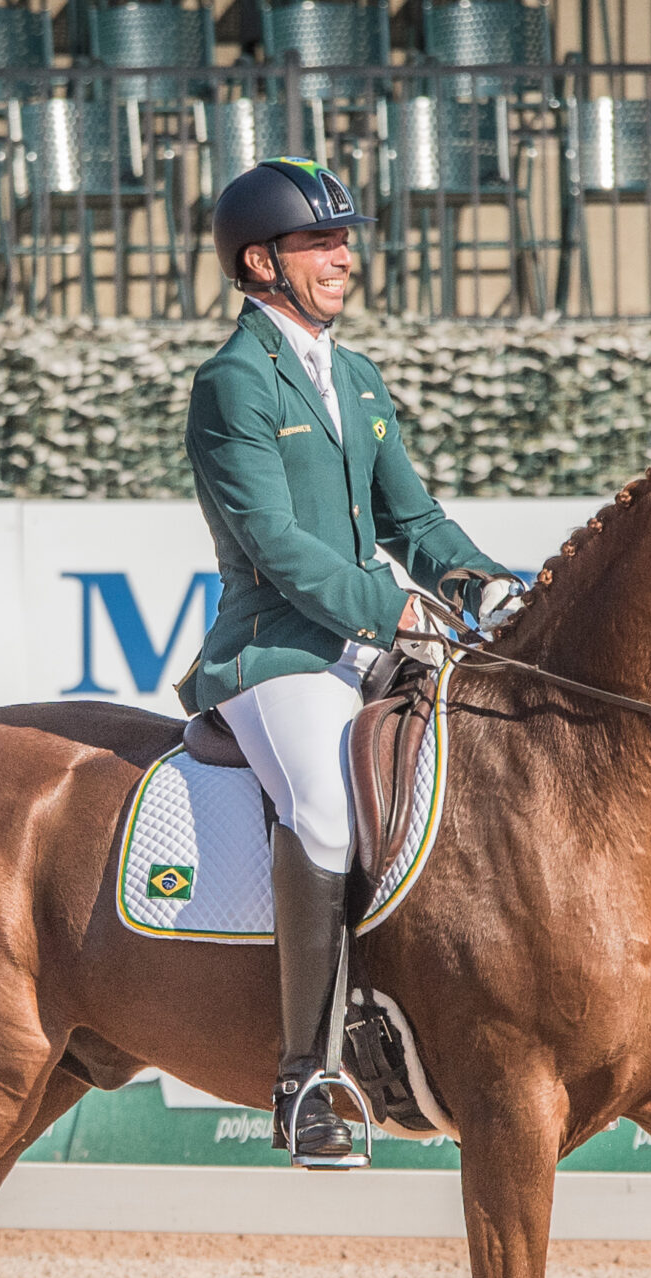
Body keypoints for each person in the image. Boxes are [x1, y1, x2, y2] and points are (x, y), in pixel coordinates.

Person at [180, 158, 523, 1162]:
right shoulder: (233, 381)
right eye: (319, 244)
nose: (344, 258)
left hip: (363, 643)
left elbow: (410, 517)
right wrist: (394, 608)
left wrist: (482, 586)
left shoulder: (356, 374)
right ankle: (308, 1077)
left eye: (343, 240)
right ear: (260, 262)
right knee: (324, 805)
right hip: (274, 652)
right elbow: (278, 546)